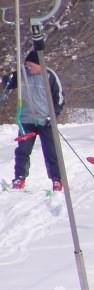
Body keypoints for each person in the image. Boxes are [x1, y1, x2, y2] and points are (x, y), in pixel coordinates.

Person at [2, 50, 64, 191]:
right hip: (26, 120)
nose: (28, 68)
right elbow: (8, 83)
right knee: (23, 150)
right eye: (27, 65)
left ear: (39, 65)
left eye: (31, 65)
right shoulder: (22, 74)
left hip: (45, 120)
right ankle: (19, 178)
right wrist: (6, 81)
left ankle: (57, 179)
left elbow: (59, 99)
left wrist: (53, 116)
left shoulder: (50, 76)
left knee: (51, 151)